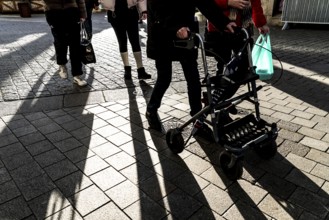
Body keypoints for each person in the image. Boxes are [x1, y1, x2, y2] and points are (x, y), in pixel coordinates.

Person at [145, 0, 237, 136]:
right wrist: (175, 27)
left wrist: (223, 22)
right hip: (164, 34)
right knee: (164, 78)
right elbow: (157, 6)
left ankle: (197, 119)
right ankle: (151, 110)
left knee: (193, 78)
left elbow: (205, 3)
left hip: (185, 36)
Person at [205, 0, 270, 75]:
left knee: (243, 61)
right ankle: (222, 79)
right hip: (219, 28)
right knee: (223, 60)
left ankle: (232, 80)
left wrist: (261, 24)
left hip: (242, 28)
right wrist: (228, 2)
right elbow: (206, 3)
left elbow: (255, 4)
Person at [43, 0, 88, 86]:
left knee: (75, 46)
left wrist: (83, 14)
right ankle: (62, 64)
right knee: (60, 43)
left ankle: (77, 75)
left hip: (72, 12)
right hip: (54, 12)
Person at [105, 0, 151, 80]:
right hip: (115, 14)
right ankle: (127, 70)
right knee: (122, 42)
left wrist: (144, 10)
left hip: (131, 12)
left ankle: (140, 70)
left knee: (135, 41)